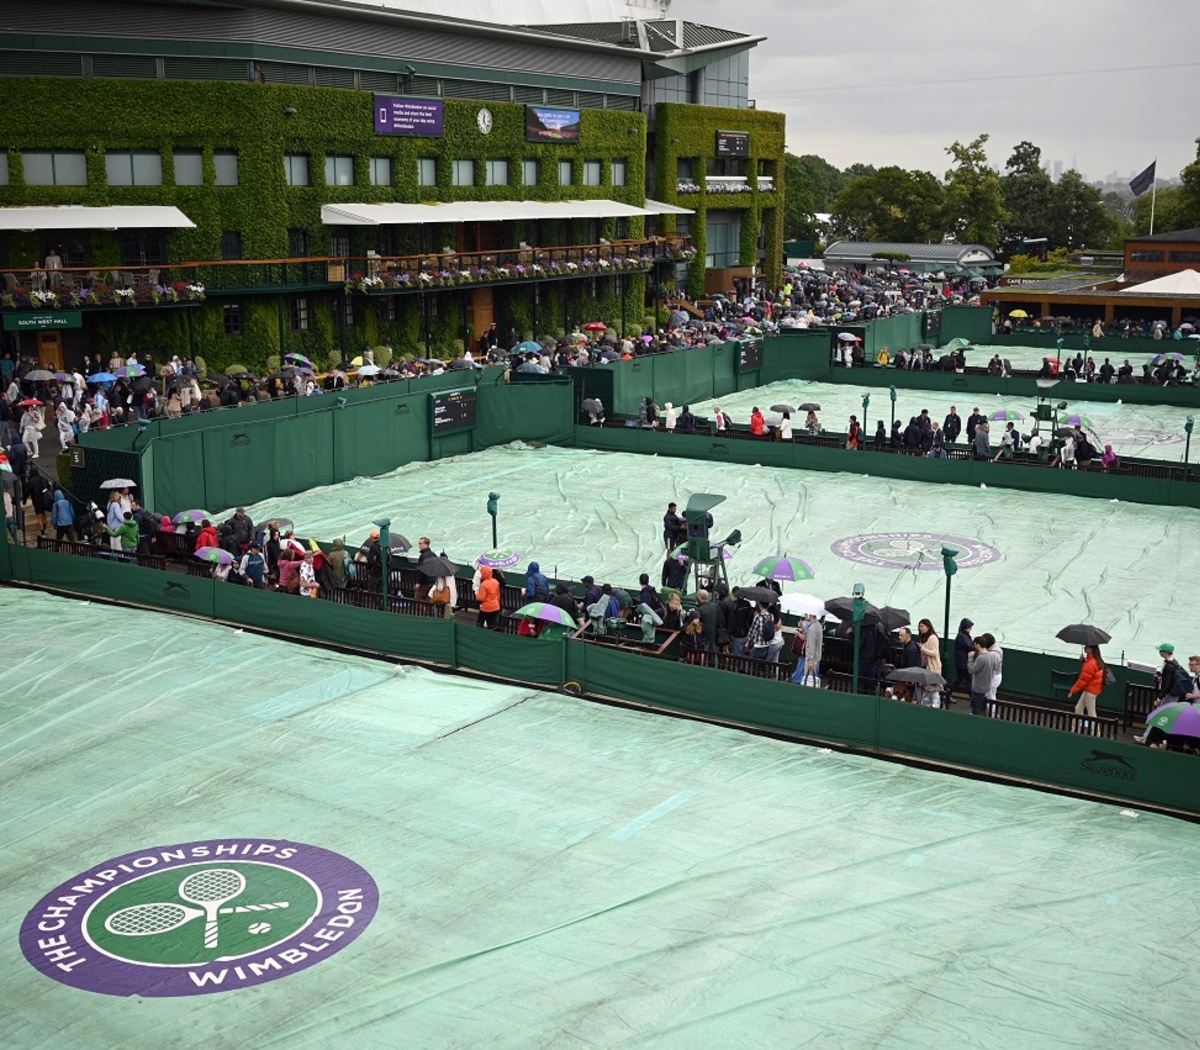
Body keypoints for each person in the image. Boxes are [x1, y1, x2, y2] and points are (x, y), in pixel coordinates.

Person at [1067, 644, 1106, 721]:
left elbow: (1083, 680)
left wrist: (1072, 691)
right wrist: (1084, 661)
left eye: (1087, 646)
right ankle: (1076, 727)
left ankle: (1093, 729)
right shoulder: (1096, 660)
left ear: (1091, 649)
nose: (1085, 648)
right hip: (1092, 690)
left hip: (1090, 691)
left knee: (1091, 714)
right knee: (1078, 709)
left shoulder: (1090, 663)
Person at [967, 635, 1000, 716]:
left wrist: (970, 658)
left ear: (978, 645)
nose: (974, 646)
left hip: (978, 688)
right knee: (982, 708)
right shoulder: (991, 656)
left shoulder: (981, 658)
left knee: (977, 710)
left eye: (975, 644)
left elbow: (971, 670)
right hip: (986, 687)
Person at [917, 619, 942, 708]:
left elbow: (934, 653)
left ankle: (935, 705)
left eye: (922, 626)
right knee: (925, 688)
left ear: (928, 627)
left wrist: (922, 649)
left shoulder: (932, 638)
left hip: (933, 668)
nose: (920, 628)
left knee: (932, 689)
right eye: (919, 626)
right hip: (925, 667)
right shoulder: (924, 638)